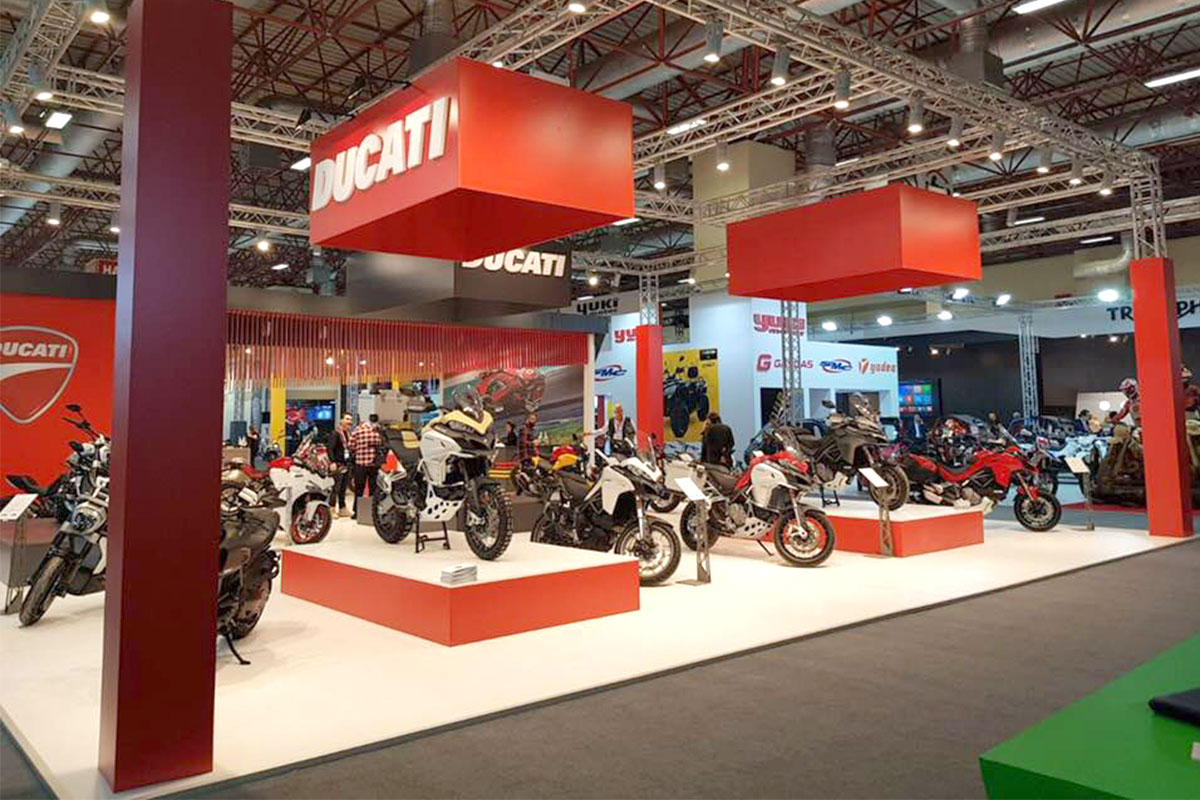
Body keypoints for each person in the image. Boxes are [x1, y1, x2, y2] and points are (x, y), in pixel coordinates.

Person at [349, 413, 384, 516]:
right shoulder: (379, 432)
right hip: (374, 464)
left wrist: (360, 449)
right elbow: (383, 445)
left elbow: (350, 445)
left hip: (360, 463)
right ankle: (372, 512)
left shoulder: (358, 430)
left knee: (359, 489)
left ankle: (357, 512)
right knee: (374, 489)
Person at [327, 413, 353, 518]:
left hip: (347, 463)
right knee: (336, 487)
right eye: (347, 419)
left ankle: (342, 508)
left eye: (350, 420)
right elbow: (330, 448)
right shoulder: (335, 434)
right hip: (338, 464)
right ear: (341, 420)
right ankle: (331, 508)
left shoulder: (349, 434)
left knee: (343, 488)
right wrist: (332, 462)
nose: (349, 422)